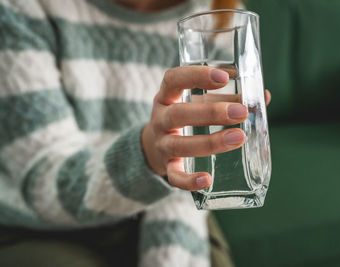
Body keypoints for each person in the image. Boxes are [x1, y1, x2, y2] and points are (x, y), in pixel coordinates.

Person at [0, 0, 271, 266]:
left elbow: (196, 168)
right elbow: (42, 183)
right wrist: (150, 155)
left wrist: (170, 250)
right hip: (37, 223)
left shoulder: (220, 18)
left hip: (163, 202)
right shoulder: (22, 8)